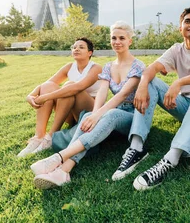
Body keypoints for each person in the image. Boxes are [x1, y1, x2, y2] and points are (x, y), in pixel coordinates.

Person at [111, 7, 190, 190]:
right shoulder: (176, 49)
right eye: (187, 21)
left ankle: (171, 158)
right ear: (181, 28)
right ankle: (136, 148)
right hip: (187, 105)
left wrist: (179, 83)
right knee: (150, 80)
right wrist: (142, 85)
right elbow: (151, 68)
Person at [29, 21, 146, 189]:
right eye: (114, 38)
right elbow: (102, 92)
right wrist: (94, 113)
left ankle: (59, 157)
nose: (117, 41)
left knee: (108, 114)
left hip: (133, 117)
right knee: (88, 115)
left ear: (130, 41)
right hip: (114, 109)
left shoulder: (138, 65)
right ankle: (64, 171)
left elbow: (122, 94)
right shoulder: (108, 66)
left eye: (122, 38)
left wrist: (98, 114)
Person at [18, 37, 102, 158]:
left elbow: (78, 88)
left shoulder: (96, 68)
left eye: (81, 47)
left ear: (90, 53)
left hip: (88, 114)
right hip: (69, 113)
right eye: (74, 47)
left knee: (70, 86)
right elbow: (46, 85)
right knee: (49, 86)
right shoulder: (69, 67)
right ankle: (39, 136)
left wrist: (46, 97)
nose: (76, 49)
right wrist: (30, 95)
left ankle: (51, 137)